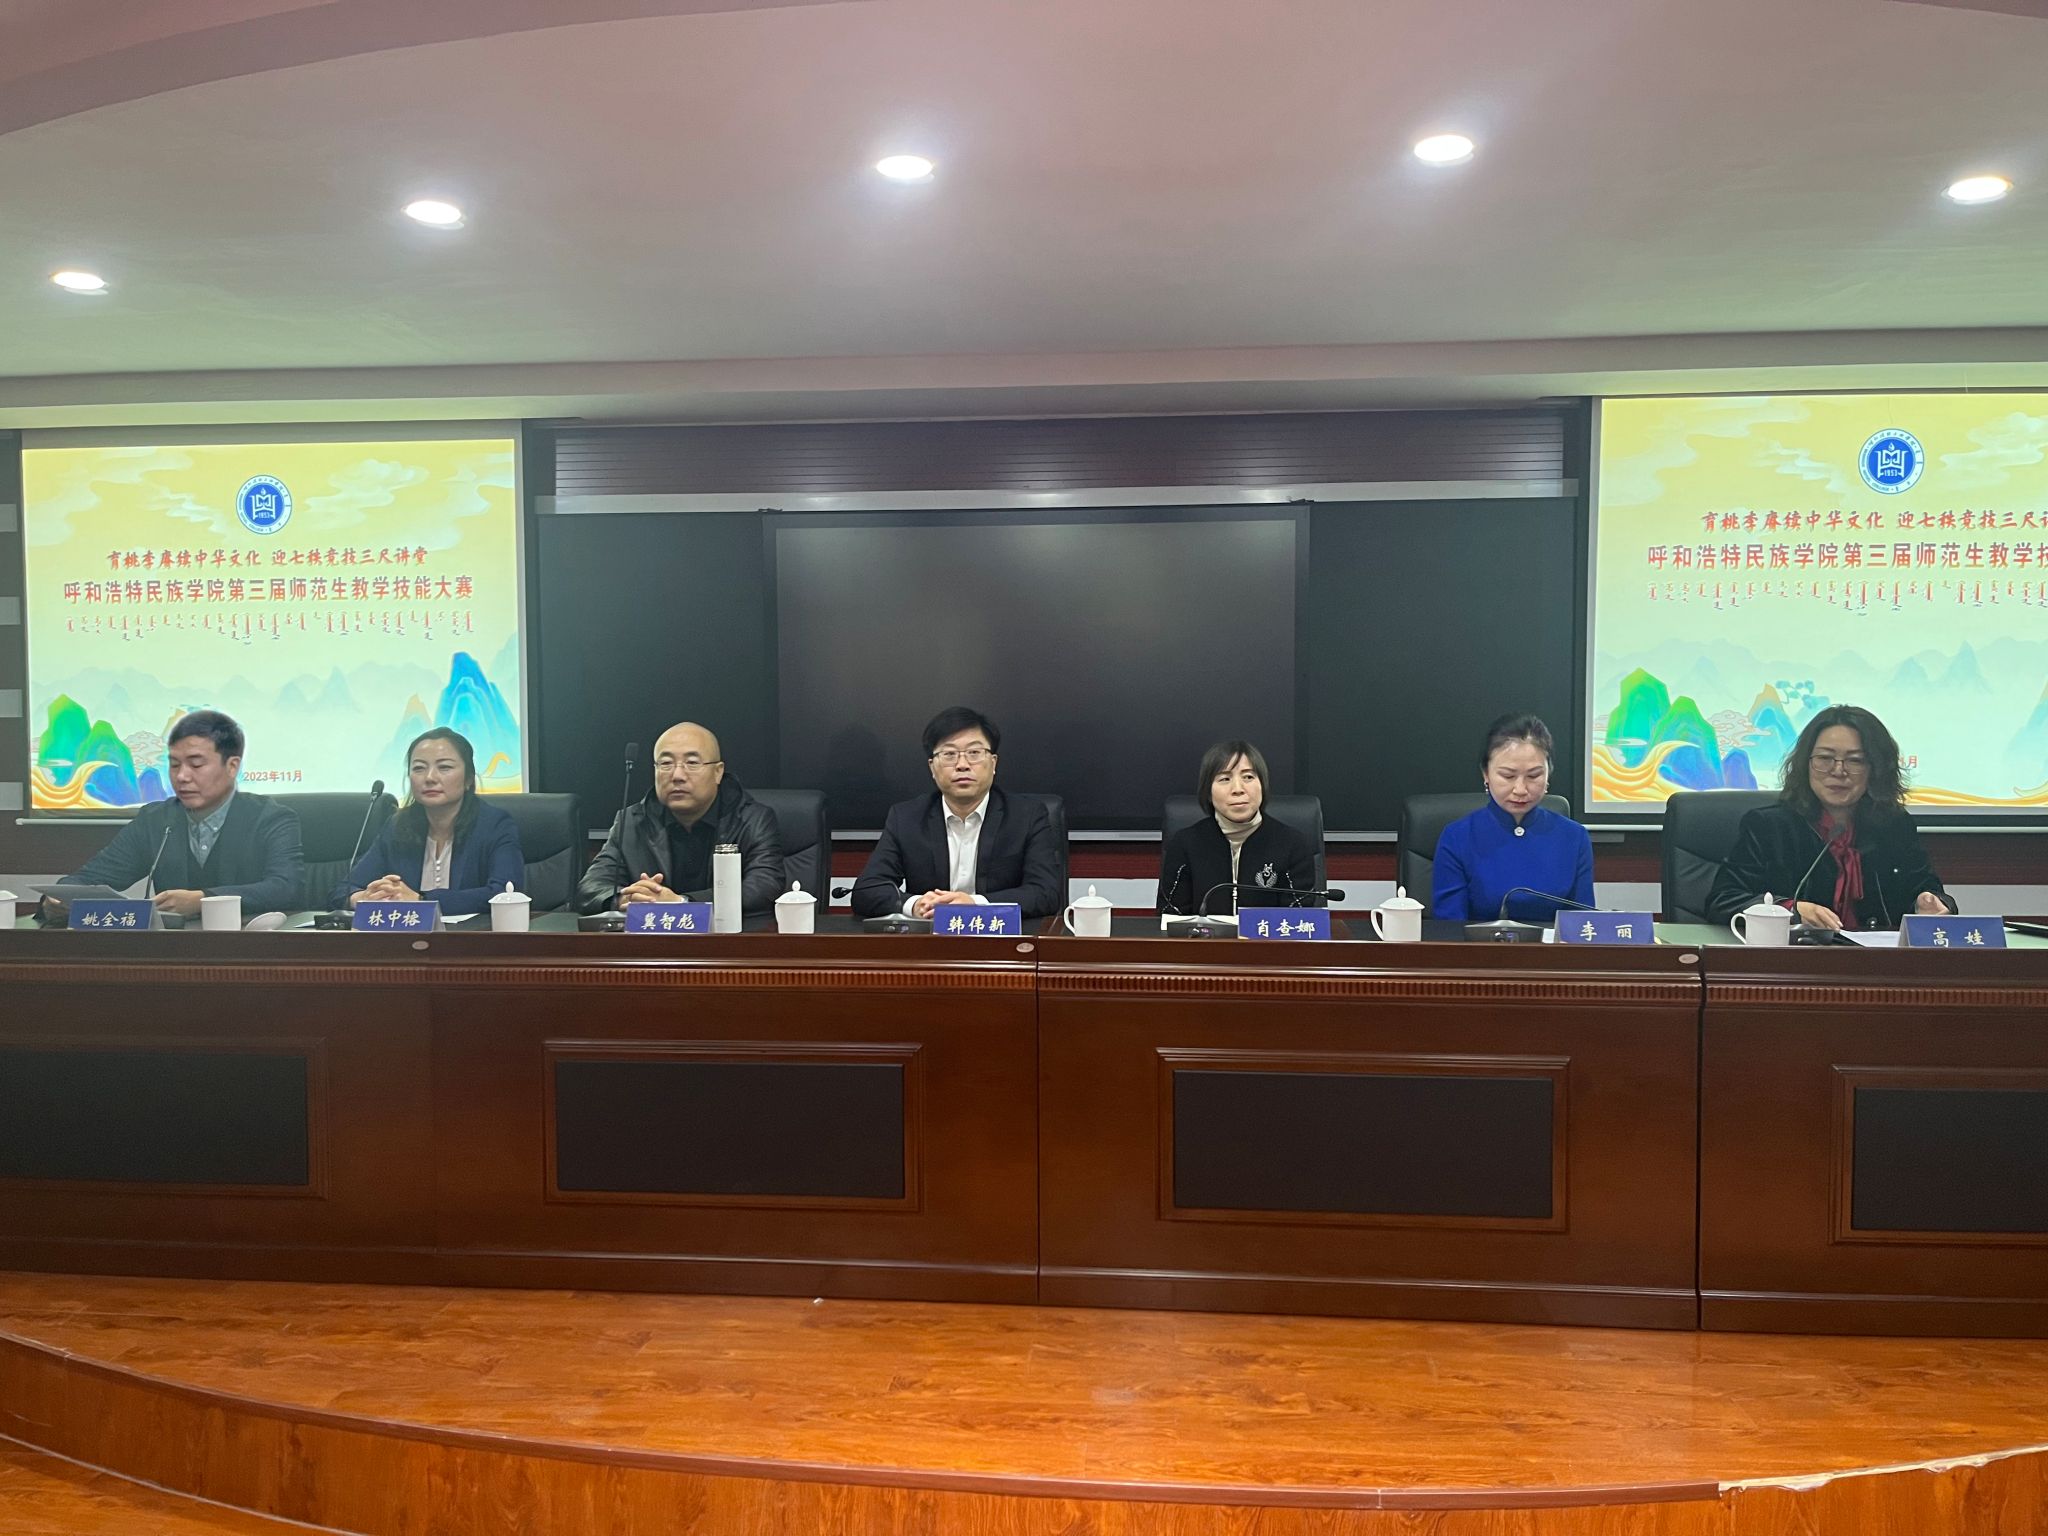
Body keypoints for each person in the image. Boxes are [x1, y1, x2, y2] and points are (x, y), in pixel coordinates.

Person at [1707, 704, 1954, 930]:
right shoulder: (1770, 827)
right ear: (1805, 764)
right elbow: (1723, 901)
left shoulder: (1894, 826)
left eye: (1855, 760)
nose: (1838, 771)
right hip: (1797, 959)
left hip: (1877, 959)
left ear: (1876, 769)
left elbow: (1927, 891)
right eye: (1824, 758)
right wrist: (1790, 909)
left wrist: (1933, 903)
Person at [43, 709, 303, 920]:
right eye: (174, 765)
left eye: (196, 764)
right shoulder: (156, 820)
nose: (182, 776)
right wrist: (58, 899)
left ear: (232, 766)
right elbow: (90, 877)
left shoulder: (270, 818)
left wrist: (203, 900)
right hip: (173, 951)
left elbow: (285, 888)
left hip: (250, 949)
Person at [851, 706, 1063, 920]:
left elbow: (1046, 893)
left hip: (998, 935)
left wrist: (976, 904)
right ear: (932, 768)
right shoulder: (906, 818)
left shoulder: (1027, 816)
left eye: (974, 753)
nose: (962, 765)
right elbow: (867, 890)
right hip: (931, 936)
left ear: (993, 763)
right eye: (949, 754)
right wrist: (915, 904)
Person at [575, 720, 784, 914]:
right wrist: (625, 898)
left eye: (692, 763)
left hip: (724, 937)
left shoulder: (751, 819)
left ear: (718, 772)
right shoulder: (632, 821)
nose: (677, 776)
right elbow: (591, 887)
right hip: (652, 938)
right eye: (666, 763)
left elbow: (765, 885)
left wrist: (682, 903)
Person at [335, 728, 523, 915]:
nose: (430, 778)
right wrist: (363, 898)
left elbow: (505, 893)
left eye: (444, 767)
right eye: (419, 768)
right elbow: (342, 891)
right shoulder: (398, 826)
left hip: (471, 934)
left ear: (468, 779)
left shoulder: (494, 825)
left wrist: (421, 901)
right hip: (405, 933)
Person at [1431, 712, 1594, 922]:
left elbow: (1584, 926)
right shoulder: (1457, 837)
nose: (1520, 789)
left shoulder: (1574, 837)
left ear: (1548, 774)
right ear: (1486, 773)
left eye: (1534, 776)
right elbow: (1448, 928)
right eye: (1508, 776)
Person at [1158, 739, 1319, 914]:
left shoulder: (1292, 844)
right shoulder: (1185, 844)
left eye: (1248, 777)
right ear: (1208, 792)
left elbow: (1298, 920)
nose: (1238, 789)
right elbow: (1171, 918)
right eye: (1225, 779)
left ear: (1262, 785)